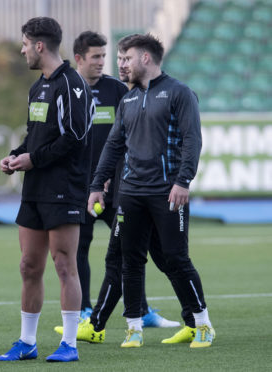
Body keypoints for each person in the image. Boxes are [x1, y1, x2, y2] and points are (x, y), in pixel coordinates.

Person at [88, 33, 215, 348]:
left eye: (126, 58)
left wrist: (184, 180)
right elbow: (114, 146)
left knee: (175, 258)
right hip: (131, 193)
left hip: (168, 192)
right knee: (130, 261)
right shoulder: (128, 99)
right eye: (119, 59)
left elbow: (192, 140)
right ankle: (134, 329)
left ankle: (202, 324)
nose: (121, 65)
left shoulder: (179, 93)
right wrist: (96, 186)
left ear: (145, 58)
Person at [54, 31, 182, 344]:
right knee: (77, 250)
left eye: (104, 56)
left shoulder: (117, 89)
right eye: (96, 56)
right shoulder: (67, 88)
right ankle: (85, 313)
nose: (103, 62)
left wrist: (114, 176)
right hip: (80, 189)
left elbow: (127, 138)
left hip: (121, 188)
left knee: (143, 249)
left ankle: (142, 308)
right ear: (80, 58)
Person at [0, 17, 93, 363]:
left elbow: (75, 138)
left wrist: (32, 160)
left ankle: (69, 344)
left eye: (24, 44)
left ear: (39, 45)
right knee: (28, 266)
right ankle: (27, 342)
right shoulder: (38, 87)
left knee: (65, 265)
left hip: (64, 189)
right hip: (34, 189)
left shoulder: (72, 85)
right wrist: (15, 156)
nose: (21, 50)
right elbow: (33, 136)